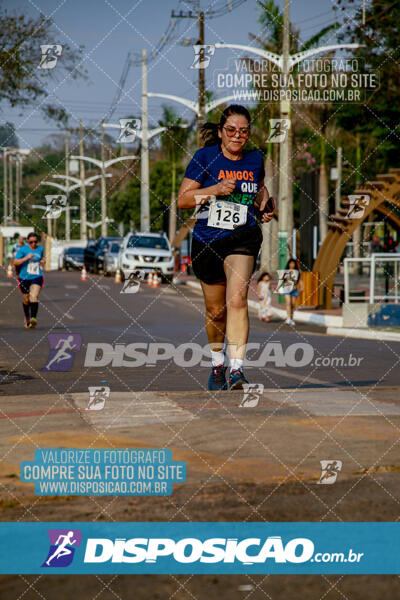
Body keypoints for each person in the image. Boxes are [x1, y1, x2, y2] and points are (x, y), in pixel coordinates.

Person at [177, 104, 273, 390]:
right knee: (216, 311)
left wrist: (266, 205)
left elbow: (259, 190)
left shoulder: (255, 159)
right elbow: (183, 200)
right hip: (208, 239)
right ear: (220, 132)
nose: (237, 136)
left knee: (237, 300)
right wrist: (214, 190)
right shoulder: (204, 157)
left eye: (243, 131)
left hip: (243, 237)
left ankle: (237, 370)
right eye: (231, 130)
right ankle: (218, 364)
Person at [13, 232, 45, 329]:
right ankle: (27, 318)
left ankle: (33, 319)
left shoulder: (40, 249)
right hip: (24, 277)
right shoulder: (23, 250)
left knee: (34, 296)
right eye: (31, 242)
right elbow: (15, 262)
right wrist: (26, 258)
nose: (33, 244)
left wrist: (42, 261)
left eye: (35, 241)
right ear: (28, 241)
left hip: (37, 276)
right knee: (26, 299)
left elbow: (41, 258)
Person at [281, 258, 301, 326]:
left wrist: (302, 287)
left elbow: (299, 280)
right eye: (290, 263)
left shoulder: (297, 271)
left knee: (293, 304)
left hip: (294, 289)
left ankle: (291, 318)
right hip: (287, 289)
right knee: (288, 303)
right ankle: (288, 318)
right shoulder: (286, 271)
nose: (292, 264)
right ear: (288, 264)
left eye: (293, 263)